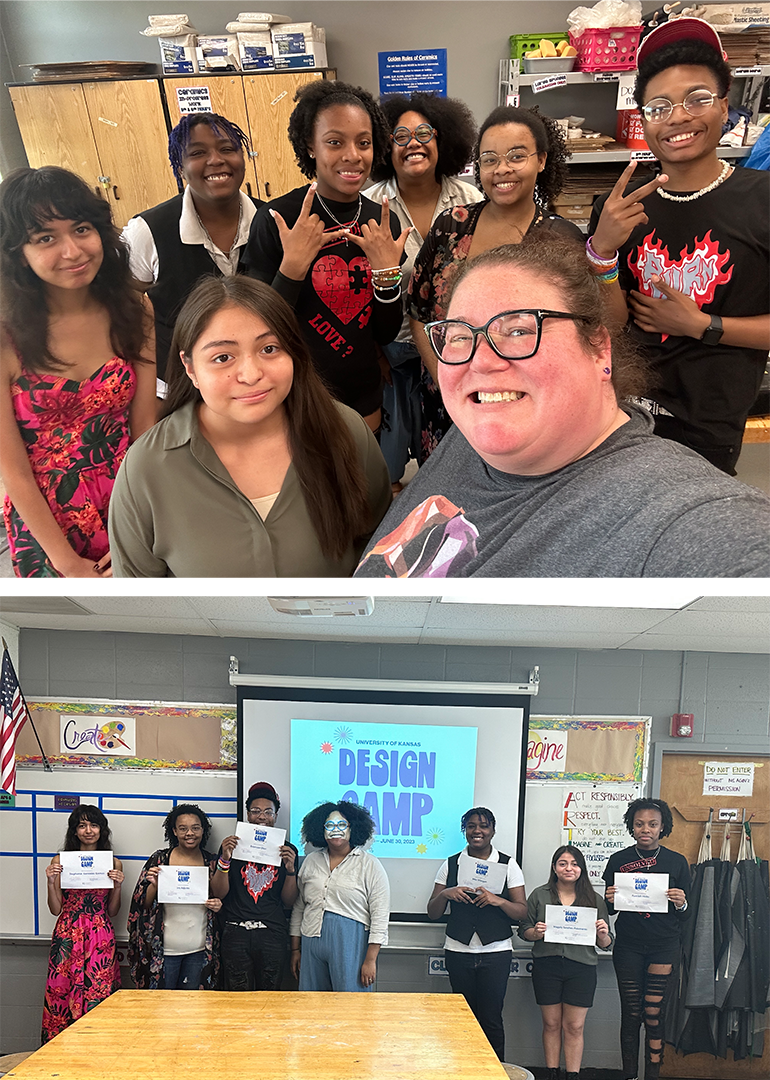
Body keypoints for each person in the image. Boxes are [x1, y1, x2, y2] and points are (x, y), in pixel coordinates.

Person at [355, 235, 770, 577]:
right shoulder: (477, 436)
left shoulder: (673, 514)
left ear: (598, 349)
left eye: (519, 329)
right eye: (460, 335)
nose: (480, 360)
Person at [108, 276, 391, 576]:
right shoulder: (147, 468)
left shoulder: (345, 432)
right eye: (223, 357)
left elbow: (384, 550)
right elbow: (142, 603)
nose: (251, 374)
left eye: (269, 349)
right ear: (190, 368)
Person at [589, 17, 770, 474]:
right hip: (621, 414)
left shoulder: (762, 200)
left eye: (698, 99)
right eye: (659, 106)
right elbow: (611, 323)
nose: (678, 117)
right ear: (645, 121)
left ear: (725, 107)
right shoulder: (618, 207)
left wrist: (705, 325)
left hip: (708, 426)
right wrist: (603, 251)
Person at [0, 166, 157, 578]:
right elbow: (13, 470)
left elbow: (142, 427)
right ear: (17, 252)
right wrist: (67, 562)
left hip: (130, 497)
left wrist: (141, 524)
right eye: (45, 238)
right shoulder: (5, 336)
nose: (72, 251)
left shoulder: (132, 308)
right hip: (48, 524)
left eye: (81, 229)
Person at [407, 105, 582, 460]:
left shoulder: (559, 239)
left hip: (522, 408)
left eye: (516, 156)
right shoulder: (451, 226)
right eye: (489, 159)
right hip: (447, 405)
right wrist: (446, 384)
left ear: (542, 160)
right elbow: (419, 312)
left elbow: (575, 335)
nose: (502, 169)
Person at [244, 80, 409, 429]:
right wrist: (292, 269)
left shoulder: (382, 222)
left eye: (363, 143)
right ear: (310, 145)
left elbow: (386, 332)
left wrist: (385, 276)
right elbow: (255, 327)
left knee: (363, 482)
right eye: (335, 142)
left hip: (362, 390)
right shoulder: (279, 219)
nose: (353, 155)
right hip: (294, 393)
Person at [364, 92, 483, 480]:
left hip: (452, 351)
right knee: (389, 464)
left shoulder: (470, 201)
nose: (413, 142)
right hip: (389, 352)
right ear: (385, 147)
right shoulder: (369, 207)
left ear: (442, 138)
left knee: (449, 457)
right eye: (399, 136)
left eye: (423, 132)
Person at [122, 111, 262, 383]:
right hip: (179, 383)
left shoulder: (271, 221)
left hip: (255, 379)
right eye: (197, 153)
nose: (216, 160)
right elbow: (125, 303)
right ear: (179, 167)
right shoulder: (148, 230)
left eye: (227, 149)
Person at [427, 807, 526, 1061]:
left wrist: (498, 901)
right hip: (458, 951)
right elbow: (433, 913)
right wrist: (445, 894)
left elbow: (521, 912)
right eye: (471, 826)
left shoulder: (508, 864)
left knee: (491, 1019)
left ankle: (495, 1071)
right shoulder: (450, 864)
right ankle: (463, 1070)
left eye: (483, 826)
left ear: (492, 830)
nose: (477, 831)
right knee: (462, 1020)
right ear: (465, 831)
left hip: (496, 953)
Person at [602, 799, 691, 1080]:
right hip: (628, 946)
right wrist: (610, 899)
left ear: (662, 826)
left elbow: (687, 915)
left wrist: (681, 903)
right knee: (631, 1014)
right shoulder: (618, 860)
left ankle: (653, 1073)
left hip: (664, 946)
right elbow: (611, 910)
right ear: (631, 826)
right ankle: (629, 1075)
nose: (646, 829)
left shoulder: (676, 862)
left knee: (654, 1014)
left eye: (653, 824)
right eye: (639, 824)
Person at [519, 845, 613, 1080]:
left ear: (581, 868)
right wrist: (535, 933)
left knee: (574, 1027)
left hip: (581, 968)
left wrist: (603, 934)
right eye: (562, 863)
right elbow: (523, 930)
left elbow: (606, 943)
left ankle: (572, 1075)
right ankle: (552, 1073)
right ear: (554, 867)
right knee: (551, 1024)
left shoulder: (594, 899)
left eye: (574, 864)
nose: (568, 868)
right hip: (547, 966)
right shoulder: (539, 895)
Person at [42, 805, 123, 1042]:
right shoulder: (60, 860)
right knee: (61, 989)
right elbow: (56, 909)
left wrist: (117, 886)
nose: (88, 830)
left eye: (94, 825)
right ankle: (58, 1050)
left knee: (98, 989)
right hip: (68, 933)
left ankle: (97, 1048)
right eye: (82, 825)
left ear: (102, 830)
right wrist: (50, 882)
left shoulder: (114, 863)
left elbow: (113, 911)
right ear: (74, 831)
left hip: (100, 935)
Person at [290, 800, 390, 992]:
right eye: (330, 825)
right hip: (311, 941)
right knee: (312, 1004)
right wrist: (295, 949)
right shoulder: (311, 862)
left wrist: (370, 960)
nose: (336, 830)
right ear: (321, 829)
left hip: (350, 943)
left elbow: (380, 915)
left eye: (342, 825)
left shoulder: (369, 864)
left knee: (350, 1007)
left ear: (353, 828)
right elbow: (299, 907)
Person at [211, 781, 298, 991]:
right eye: (256, 811)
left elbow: (288, 901)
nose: (262, 817)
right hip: (236, 931)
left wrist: (290, 870)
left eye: (269, 812)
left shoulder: (287, 850)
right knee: (237, 997)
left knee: (270, 998)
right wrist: (224, 860)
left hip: (272, 933)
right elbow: (218, 893)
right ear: (247, 814)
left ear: (276, 815)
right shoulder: (232, 846)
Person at [127, 803, 222, 991]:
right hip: (163, 951)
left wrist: (218, 904)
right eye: (183, 828)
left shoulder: (211, 862)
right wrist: (154, 886)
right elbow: (142, 905)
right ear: (174, 831)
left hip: (199, 950)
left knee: (194, 1008)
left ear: (203, 831)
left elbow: (221, 897)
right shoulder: (160, 859)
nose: (190, 833)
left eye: (195, 828)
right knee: (161, 1009)